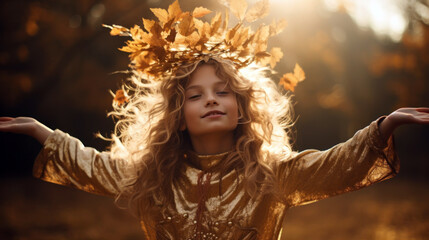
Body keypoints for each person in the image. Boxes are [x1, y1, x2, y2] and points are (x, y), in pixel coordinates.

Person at [1, 1, 429, 239]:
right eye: (196, 95)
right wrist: (42, 132)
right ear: (179, 116)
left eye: (223, 92)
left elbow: (333, 166)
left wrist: (383, 127)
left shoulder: (272, 174)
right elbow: (93, 165)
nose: (211, 100)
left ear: (242, 108)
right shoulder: (151, 178)